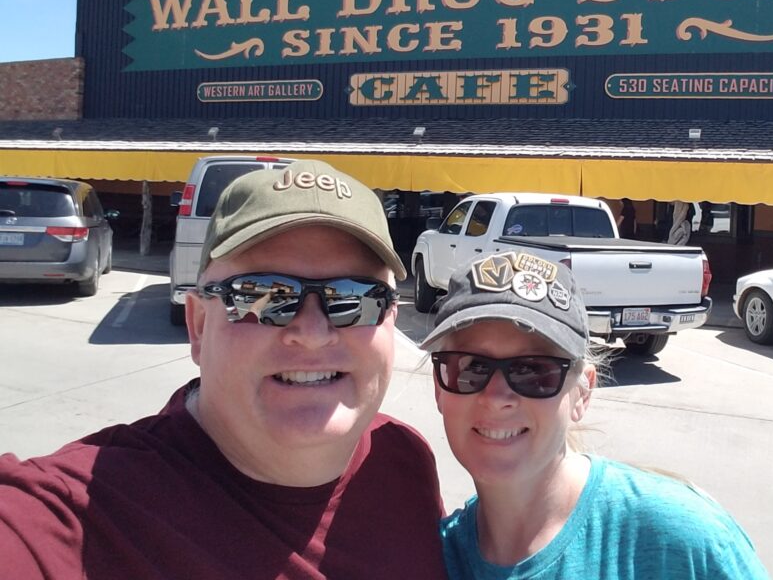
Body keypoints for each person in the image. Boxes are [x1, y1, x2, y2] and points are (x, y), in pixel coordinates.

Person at [0, 159, 447, 579]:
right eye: (264, 295)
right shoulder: (77, 515)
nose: (312, 332)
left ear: (390, 318)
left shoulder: (403, 459)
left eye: (356, 298)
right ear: (198, 325)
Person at [420, 251, 771, 579]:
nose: (497, 397)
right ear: (439, 388)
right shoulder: (429, 557)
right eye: (472, 368)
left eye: (534, 371)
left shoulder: (682, 540)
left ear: (582, 393)